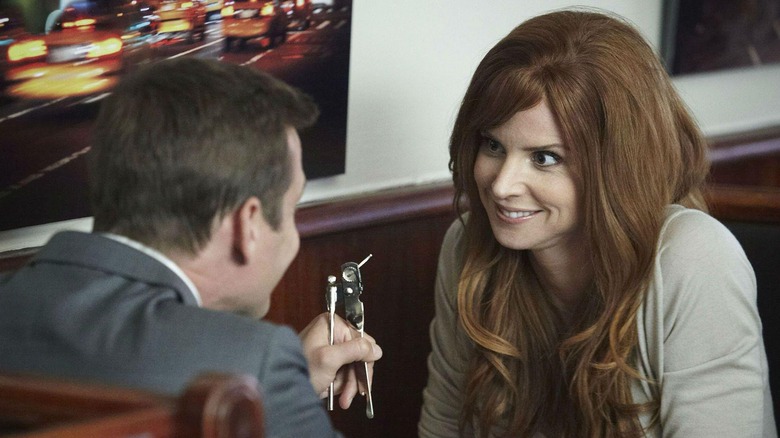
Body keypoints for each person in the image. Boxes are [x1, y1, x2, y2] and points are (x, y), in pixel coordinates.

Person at [419, 8, 776, 438]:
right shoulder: (467, 245)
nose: (501, 186)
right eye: (493, 145)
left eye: (544, 158)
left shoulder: (695, 260)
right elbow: (442, 427)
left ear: (616, 167)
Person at [0, 57, 382, 437]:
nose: (293, 238)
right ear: (247, 225)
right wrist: (276, 389)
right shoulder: (252, 366)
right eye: (291, 208)